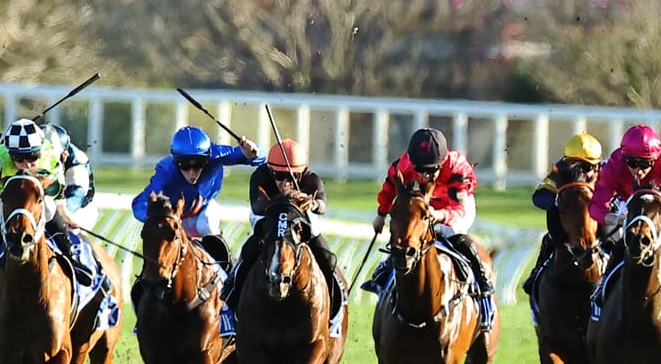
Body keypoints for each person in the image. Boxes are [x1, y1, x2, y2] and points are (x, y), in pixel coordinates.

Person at [363, 127, 498, 316]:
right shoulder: (404, 165)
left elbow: (458, 210)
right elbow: (390, 187)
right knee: (407, 235)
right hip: (425, 204)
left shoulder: (457, 168)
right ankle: (384, 272)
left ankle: (482, 281)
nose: (424, 176)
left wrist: (440, 215)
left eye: (431, 170)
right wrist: (381, 214)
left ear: (442, 162)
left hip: (456, 206)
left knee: (451, 233)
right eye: (420, 170)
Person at [0, 117, 96, 285]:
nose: (27, 165)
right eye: (18, 159)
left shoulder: (51, 155)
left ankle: (71, 258)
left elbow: (58, 193)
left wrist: (65, 214)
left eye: (33, 157)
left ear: (40, 150)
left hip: (35, 207)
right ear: (9, 153)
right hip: (6, 207)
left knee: (48, 205)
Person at [589, 124, 661, 310]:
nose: (638, 170)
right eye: (632, 163)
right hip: (632, 206)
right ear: (623, 156)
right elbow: (596, 205)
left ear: (656, 157)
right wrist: (616, 219)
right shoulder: (615, 162)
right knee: (622, 241)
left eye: (645, 164)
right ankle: (604, 285)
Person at [230, 139, 344, 320]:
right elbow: (258, 206)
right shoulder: (260, 176)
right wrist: (287, 199)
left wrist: (311, 202)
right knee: (246, 256)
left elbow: (322, 205)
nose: (284, 183)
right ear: (270, 170)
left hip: (301, 223)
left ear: (301, 174)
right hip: (268, 221)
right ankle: (231, 300)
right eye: (278, 176)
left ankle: (335, 305)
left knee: (328, 259)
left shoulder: (311, 179)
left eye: (291, 177)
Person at [131, 125, 259, 267]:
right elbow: (139, 205)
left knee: (206, 223)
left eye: (198, 165)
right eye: (184, 166)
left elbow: (257, 156)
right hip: (175, 218)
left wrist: (254, 153)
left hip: (204, 210)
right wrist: (161, 218)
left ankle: (226, 273)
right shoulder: (166, 169)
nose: (192, 173)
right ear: (175, 161)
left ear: (207, 158)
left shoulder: (215, 154)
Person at [522, 133, 603, 296]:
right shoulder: (559, 170)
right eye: (575, 166)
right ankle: (537, 273)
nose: (581, 172)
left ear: (597, 165)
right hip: (569, 226)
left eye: (587, 167)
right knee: (549, 237)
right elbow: (539, 197)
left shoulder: (604, 172)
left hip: (596, 224)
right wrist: (564, 200)